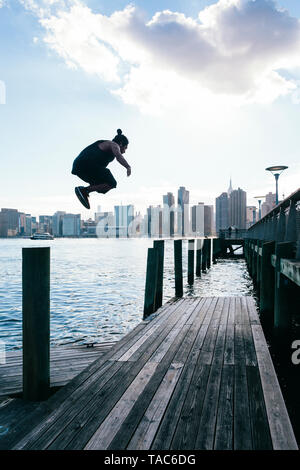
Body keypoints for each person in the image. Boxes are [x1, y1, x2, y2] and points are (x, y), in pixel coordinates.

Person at [71, 129, 131, 209]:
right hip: (86, 164)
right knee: (111, 182)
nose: (124, 151)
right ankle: (85, 190)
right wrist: (128, 166)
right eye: (125, 148)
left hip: (80, 168)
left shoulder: (104, 144)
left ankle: (85, 191)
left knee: (104, 185)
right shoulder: (113, 144)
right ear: (120, 144)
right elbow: (119, 156)